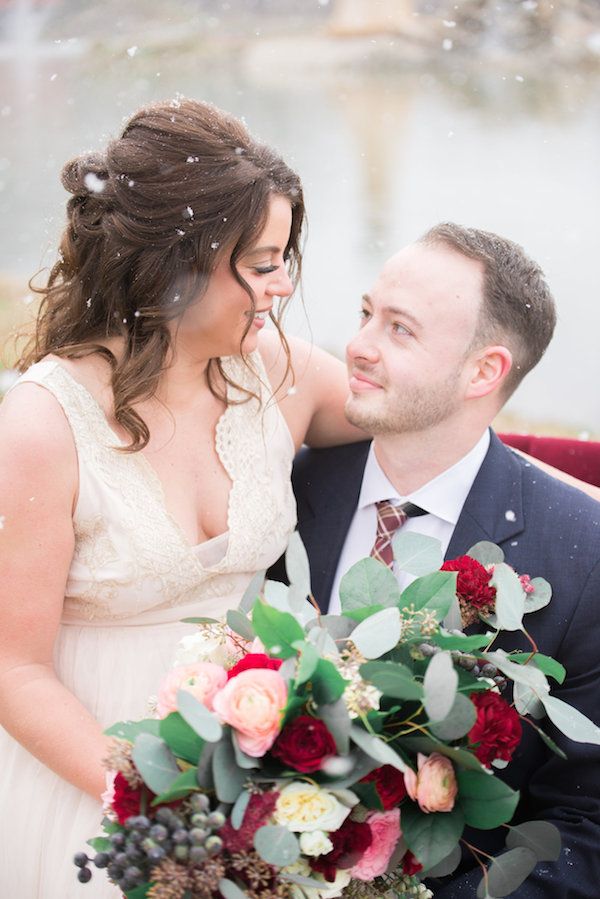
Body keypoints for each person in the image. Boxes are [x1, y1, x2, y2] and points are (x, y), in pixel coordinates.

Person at [0, 99, 363, 898]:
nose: (283, 284)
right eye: (263, 262)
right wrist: (158, 804)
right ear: (178, 262)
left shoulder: (269, 369)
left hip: (249, 783)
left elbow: (408, 413)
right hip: (94, 792)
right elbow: (12, 668)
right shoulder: (42, 422)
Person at [289, 223, 600, 897]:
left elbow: (586, 825)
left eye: (399, 329)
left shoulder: (582, 554)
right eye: (366, 313)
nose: (359, 345)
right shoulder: (283, 493)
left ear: (484, 370)